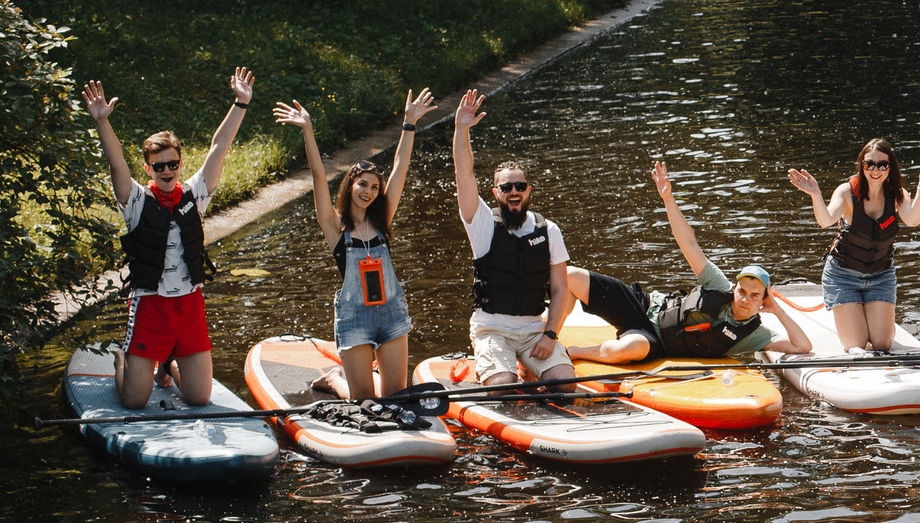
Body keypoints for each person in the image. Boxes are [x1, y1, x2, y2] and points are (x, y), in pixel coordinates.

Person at [83, 68, 256, 407]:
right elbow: (116, 163)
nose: (166, 171)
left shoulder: (195, 194)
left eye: (172, 164)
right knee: (134, 400)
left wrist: (240, 103)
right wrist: (103, 121)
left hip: (189, 305)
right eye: (158, 166)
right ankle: (124, 360)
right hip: (150, 307)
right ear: (147, 168)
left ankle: (169, 362)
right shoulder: (135, 201)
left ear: (179, 164)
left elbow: (219, 148)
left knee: (199, 397)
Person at [273, 87, 437, 398]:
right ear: (350, 185)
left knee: (394, 399)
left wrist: (409, 123)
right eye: (363, 184)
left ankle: (351, 376)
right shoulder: (335, 226)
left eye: (375, 187)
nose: (369, 191)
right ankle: (336, 378)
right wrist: (307, 129)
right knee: (364, 402)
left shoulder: (381, 221)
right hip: (354, 318)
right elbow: (319, 175)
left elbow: (401, 167)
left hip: (391, 314)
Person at [560, 162, 811, 364]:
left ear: (763, 300)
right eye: (742, 291)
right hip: (644, 305)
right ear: (734, 289)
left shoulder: (755, 335)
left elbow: (802, 346)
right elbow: (688, 244)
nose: (745, 299)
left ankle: (574, 352)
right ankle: (548, 340)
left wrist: (777, 310)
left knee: (628, 349)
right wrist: (668, 198)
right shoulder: (717, 285)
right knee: (570, 275)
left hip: (652, 340)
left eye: (755, 296)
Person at [452, 88, 577, 387]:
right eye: (506, 188)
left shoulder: (549, 230)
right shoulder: (481, 222)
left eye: (520, 186)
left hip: (535, 331)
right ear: (496, 193)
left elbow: (560, 289)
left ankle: (532, 366)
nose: (514, 192)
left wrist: (550, 334)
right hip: (492, 329)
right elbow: (463, 174)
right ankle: (504, 370)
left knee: (564, 382)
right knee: (502, 387)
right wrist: (461, 130)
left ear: (529, 190)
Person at [788, 144, 920, 353]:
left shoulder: (897, 194)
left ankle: (868, 316)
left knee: (882, 344)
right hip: (843, 276)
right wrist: (816, 194)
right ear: (861, 166)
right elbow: (825, 220)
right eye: (869, 164)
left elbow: (913, 220)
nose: (875, 170)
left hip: (881, 276)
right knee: (856, 344)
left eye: (882, 165)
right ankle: (853, 318)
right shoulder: (846, 192)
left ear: (890, 167)